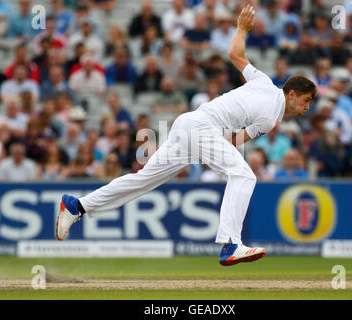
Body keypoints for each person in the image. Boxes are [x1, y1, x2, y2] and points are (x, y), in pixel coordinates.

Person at [56, 6, 316, 266]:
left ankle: (77, 205)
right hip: (202, 127)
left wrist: (241, 29)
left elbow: (235, 54)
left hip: (190, 126)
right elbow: (239, 138)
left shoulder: (263, 81)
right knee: (244, 174)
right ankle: (231, 244)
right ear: (291, 93)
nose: (306, 109)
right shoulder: (271, 114)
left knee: (144, 180)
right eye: (305, 101)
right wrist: (213, 151)